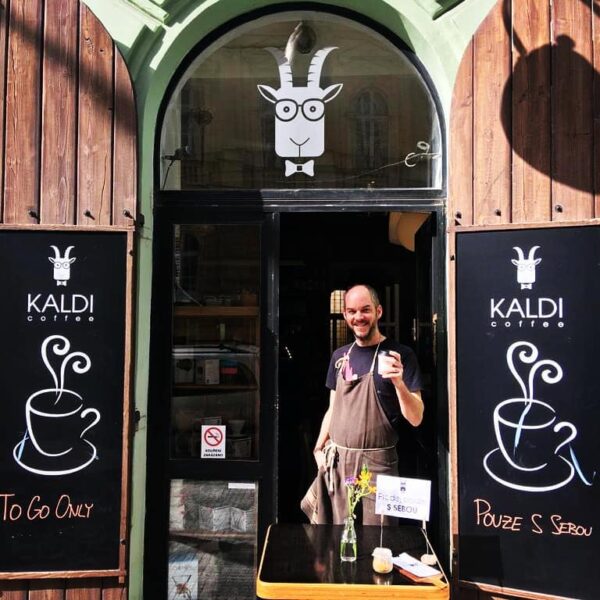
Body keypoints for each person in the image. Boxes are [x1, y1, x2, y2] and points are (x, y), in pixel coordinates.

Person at [301, 284, 424, 525]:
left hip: (379, 464)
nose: (359, 317)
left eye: (365, 310)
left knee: (380, 536)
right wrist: (318, 447)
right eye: (352, 311)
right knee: (338, 535)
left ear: (378, 312)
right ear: (345, 315)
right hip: (339, 463)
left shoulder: (401, 355)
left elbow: (416, 417)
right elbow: (333, 408)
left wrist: (399, 383)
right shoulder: (340, 357)